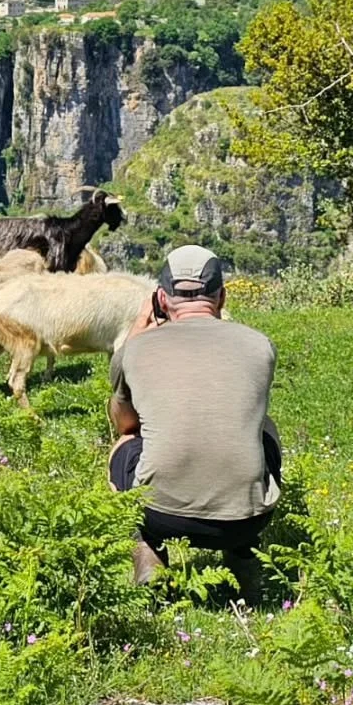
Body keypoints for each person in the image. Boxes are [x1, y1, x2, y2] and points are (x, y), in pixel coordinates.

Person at [107, 244, 282, 601]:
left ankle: (149, 552)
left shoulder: (136, 350)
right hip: (247, 518)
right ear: (221, 296)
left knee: (123, 448)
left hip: (161, 515)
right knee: (265, 429)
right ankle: (243, 556)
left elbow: (125, 425)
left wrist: (137, 334)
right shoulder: (259, 345)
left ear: (161, 298)